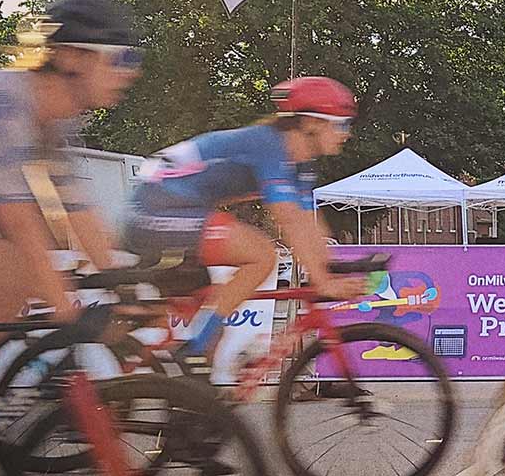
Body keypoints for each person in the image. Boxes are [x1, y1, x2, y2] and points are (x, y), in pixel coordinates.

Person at [0, 0, 144, 434]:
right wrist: (66, 307)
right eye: (120, 57)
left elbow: (78, 209)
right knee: (23, 276)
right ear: (69, 57)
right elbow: (17, 218)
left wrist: (125, 286)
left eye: (135, 59)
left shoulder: (55, 120)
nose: (130, 72)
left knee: (13, 287)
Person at [123, 76, 369, 369]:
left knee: (212, 342)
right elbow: (287, 219)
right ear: (311, 123)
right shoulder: (268, 145)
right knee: (262, 254)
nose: (347, 133)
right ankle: (191, 349)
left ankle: (193, 398)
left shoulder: (302, 163)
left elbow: (308, 221)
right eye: (341, 124)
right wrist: (323, 281)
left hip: (177, 210)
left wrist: (332, 267)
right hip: (154, 209)